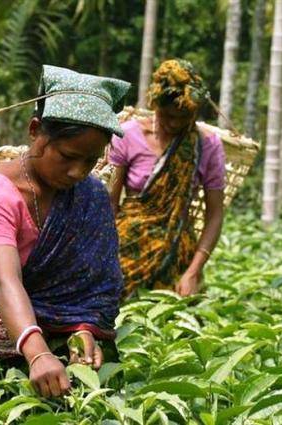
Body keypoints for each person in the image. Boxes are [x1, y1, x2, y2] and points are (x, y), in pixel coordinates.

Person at [0, 65, 130, 398]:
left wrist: (84, 331)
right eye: (67, 156)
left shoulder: (90, 195)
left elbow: (94, 286)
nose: (78, 171)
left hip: (53, 330)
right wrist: (38, 354)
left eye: (91, 160)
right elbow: (4, 282)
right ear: (35, 130)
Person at [108, 59, 225, 297]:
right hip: (128, 245)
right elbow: (111, 202)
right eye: (168, 115)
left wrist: (193, 272)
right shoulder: (128, 134)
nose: (175, 124)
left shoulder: (207, 145)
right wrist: (106, 253)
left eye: (184, 117)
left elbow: (215, 214)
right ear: (156, 105)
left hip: (178, 251)